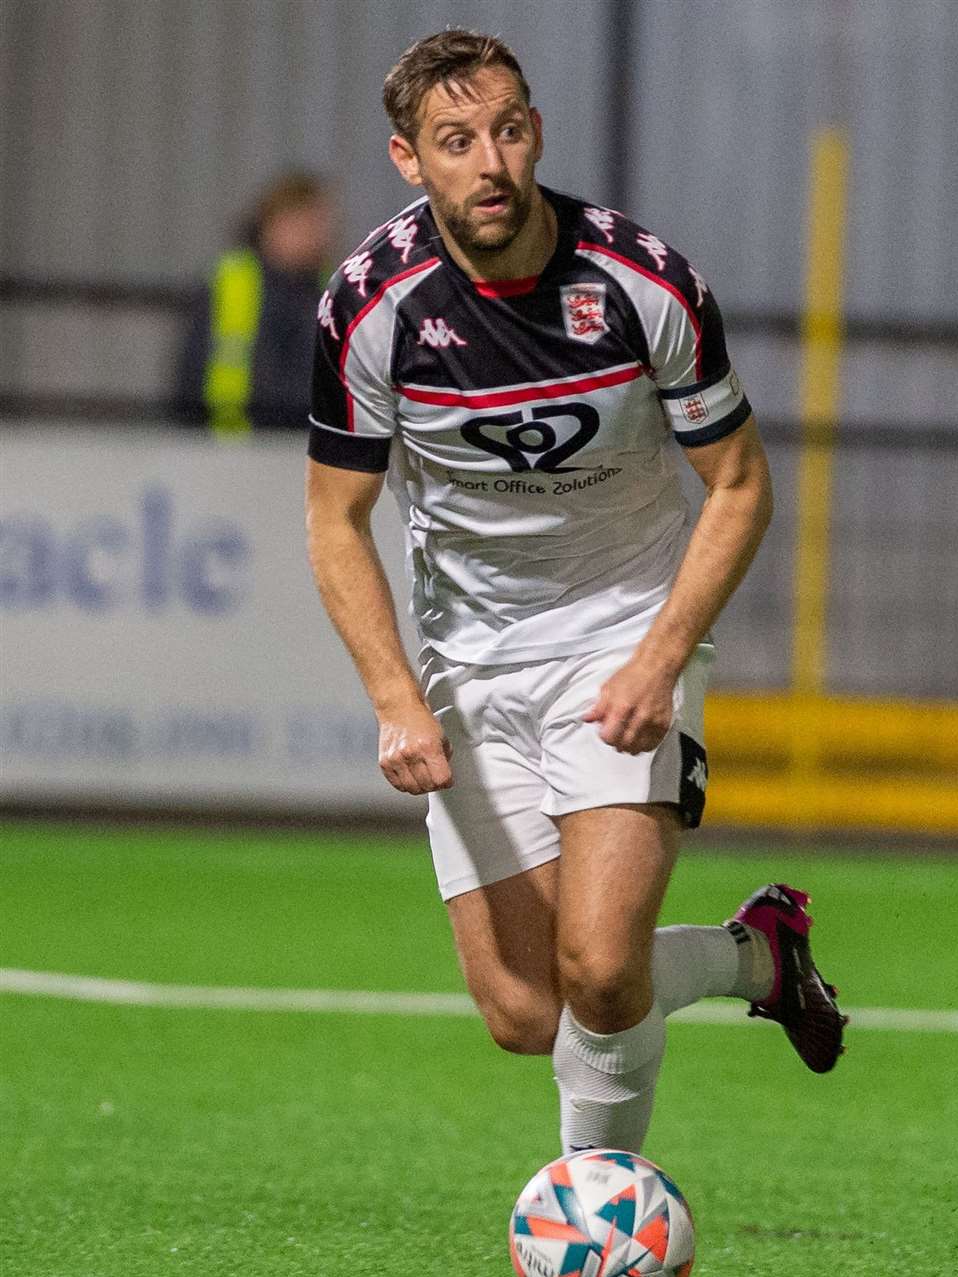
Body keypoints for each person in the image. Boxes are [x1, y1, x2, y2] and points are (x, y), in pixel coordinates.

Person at [306, 30, 846, 1157]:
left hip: (621, 639)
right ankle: (759, 956)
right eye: (457, 142)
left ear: (535, 130)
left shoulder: (643, 283)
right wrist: (395, 698)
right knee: (526, 1014)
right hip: (470, 664)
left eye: (507, 130)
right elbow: (335, 519)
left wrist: (659, 657)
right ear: (411, 160)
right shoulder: (370, 308)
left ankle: (600, 1209)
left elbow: (741, 486)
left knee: (601, 972)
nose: (490, 162)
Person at [176, 171, 335, 434]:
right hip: (225, 442)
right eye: (300, 223)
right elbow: (191, 372)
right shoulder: (232, 280)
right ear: (270, 224)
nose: (313, 234)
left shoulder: (333, 288)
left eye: (318, 224)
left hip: (307, 446)